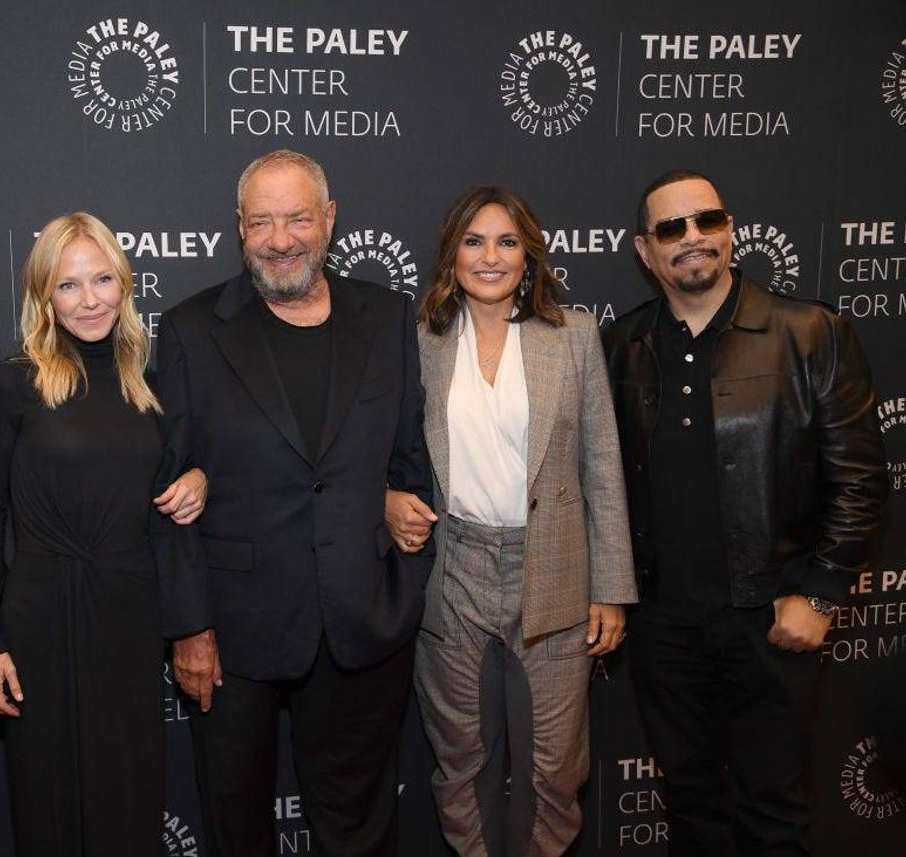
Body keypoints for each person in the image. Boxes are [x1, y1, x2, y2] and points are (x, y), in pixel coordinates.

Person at [152, 149, 433, 856]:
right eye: (261, 222)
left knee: (360, 828)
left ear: (330, 220)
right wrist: (189, 626)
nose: (280, 239)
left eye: (298, 219)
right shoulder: (191, 330)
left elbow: (411, 459)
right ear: (239, 228)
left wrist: (401, 564)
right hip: (234, 633)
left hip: (362, 619)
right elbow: (167, 491)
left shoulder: (388, 317)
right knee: (236, 823)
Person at [602, 169, 888, 855]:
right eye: (672, 227)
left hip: (771, 620)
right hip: (664, 628)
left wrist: (820, 594)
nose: (692, 237)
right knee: (691, 807)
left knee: (773, 811)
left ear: (730, 230)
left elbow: (860, 480)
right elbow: (601, 482)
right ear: (645, 250)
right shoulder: (623, 344)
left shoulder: (810, 332)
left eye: (707, 220)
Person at [385, 186, 636, 856]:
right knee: (460, 757)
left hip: (553, 565)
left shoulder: (573, 335)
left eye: (506, 241)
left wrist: (611, 588)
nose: (489, 257)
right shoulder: (420, 341)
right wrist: (386, 497)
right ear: (452, 254)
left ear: (529, 254)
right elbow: (381, 448)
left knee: (556, 764)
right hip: (452, 568)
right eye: (473, 241)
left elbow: (602, 462)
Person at [0, 212, 207, 856]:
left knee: (128, 792)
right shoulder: (13, 383)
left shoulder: (149, 386)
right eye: (69, 285)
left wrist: (199, 478)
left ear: (125, 284)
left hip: (130, 615)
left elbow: (177, 476)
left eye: (102, 279)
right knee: (47, 798)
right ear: (44, 295)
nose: (90, 299)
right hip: (40, 617)